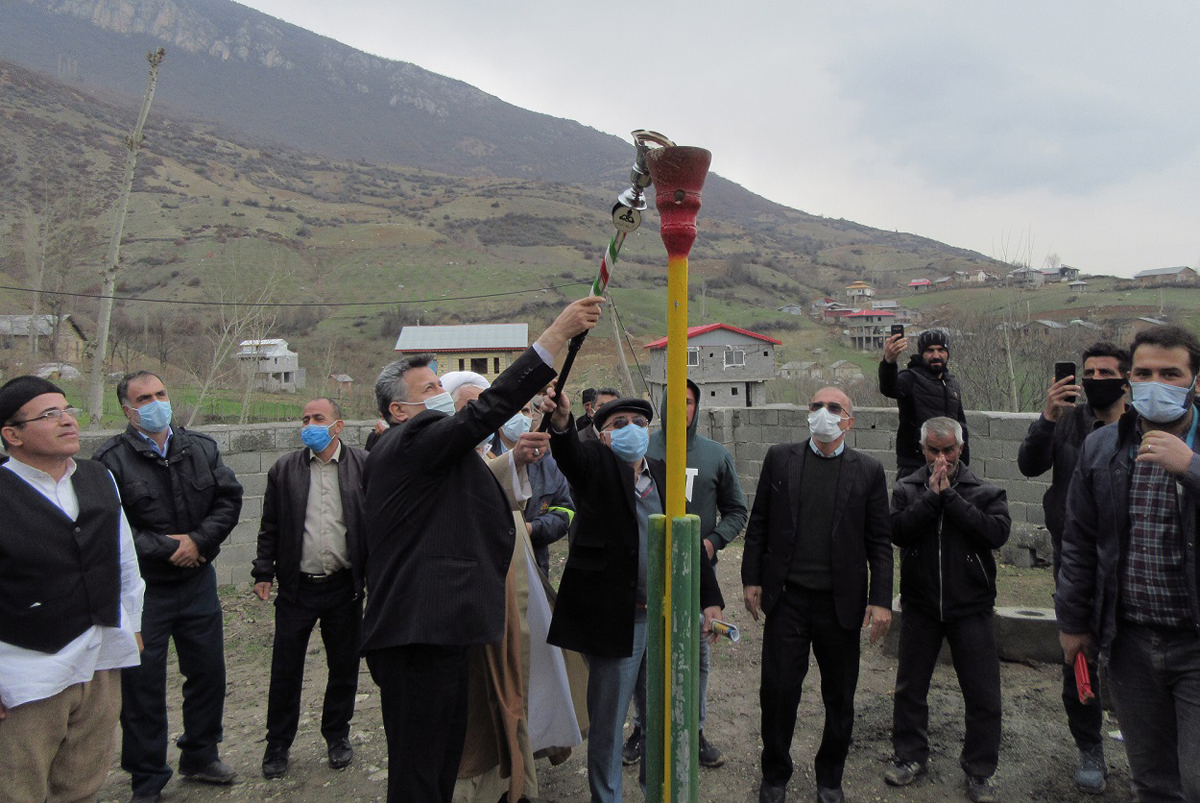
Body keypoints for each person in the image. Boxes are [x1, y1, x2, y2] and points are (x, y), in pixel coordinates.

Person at [361, 296, 603, 803]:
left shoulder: (430, 458)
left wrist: (518, 452)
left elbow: (482, 496)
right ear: (399, 410)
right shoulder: (408, 441)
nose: (443, 398)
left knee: (444, 757)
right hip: (416, 637)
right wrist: (556, 335)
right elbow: (487, 410)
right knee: (419, 772)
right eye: (431, 390)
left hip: (445, 630)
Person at [542, 391, 725, 803]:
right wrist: (562, 422)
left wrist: (708, 597)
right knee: (609, 724)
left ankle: (654, 791)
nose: (631, 431)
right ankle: (606, 798)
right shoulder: (596, 466)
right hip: (616, 619)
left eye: (639, 423)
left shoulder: (663, 472)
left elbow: (687, 537)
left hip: (664, 617)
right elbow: (570, 454)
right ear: (603, 435)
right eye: (618, 424)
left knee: (660, 715)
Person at [1057, 324, 1200, 801]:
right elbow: (1079, 540)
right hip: (1129, 642)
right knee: (1151, 780)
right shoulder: (1102, 447)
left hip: (1194, 645)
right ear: (1129, 381)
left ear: (1196, 381)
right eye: (1144, 372)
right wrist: (1074, 623)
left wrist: (1192, 469)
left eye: (1171, 373)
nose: (1156, 382)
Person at [94, 371, 244, 803]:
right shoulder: (110, 462)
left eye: (161, 393)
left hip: (198, 581)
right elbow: (115, 526)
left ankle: (200, 753)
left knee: (208, 673)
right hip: (145, 592)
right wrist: (167, 548)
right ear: (128, 409)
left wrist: (198, 541)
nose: (157, 402)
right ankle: (147, 776)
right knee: (142, 686)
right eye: (145, 397)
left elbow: (228, 500)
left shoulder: (201, 448)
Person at [741, 387, 893, 803]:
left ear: (849, 420)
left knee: (840, 696)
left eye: (834, 408)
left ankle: (830, 778)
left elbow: (880, 541)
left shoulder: (868, 470)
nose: (823, 413)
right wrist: (751, 577)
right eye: (816, 406)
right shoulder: (780, 458)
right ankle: (774, 776)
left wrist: (881, 599)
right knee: (777, 692)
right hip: (787, 600)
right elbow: (760, 524)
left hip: (840, 606)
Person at [0, 377, 144, 802]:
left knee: (83, 784)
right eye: (49, 415)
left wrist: (131, 622)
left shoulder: (99, 477)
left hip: (99, 655)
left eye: (67, 410)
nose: (66, 421)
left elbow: (124, 558)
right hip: (25, 670)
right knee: (17, 789)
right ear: (12, 434)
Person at [1017, 342, 1129, 794]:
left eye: (1106, 372)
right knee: (1077, 652)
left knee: (1133, 655)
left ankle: (1146, 740)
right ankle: (1090, 747)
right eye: (1088, 372)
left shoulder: (1145, 431)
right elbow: (1028, 466)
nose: (1095, 379)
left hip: (1130, 563)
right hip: (1074, 557)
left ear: (1125, 379)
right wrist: (1047, 418)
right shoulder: (1069, 424)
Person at [885, 417, 1009, 803]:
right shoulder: (907, 488)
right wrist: (930, 499)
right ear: (922, 450)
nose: (942, 458)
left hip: (971, 607)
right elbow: (897, 531)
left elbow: (995, 533)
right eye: (934, 450)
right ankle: (909, 756)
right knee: (910, 688)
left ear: (961, 447)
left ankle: (979, 770)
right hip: (921, 605)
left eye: (949, 450)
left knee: (983, 693)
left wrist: (950, 499)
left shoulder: (984, 490)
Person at [625, 378, 748, 769]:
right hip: (645, 577)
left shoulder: (715, 455)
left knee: (695, 656)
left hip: (697, 575)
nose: (683, 409)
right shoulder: (645, 450)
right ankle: (643, 732)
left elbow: (736, 511)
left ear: (698, 407)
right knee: (645, 657)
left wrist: (710, 543)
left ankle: (692, 731)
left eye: (690, 402)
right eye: (675, 402)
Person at [252, 397, 367, 779]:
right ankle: (278, 744)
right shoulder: (285, 469)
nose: (309, 425)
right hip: (297, 589)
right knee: (285, 670)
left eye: (318, 418)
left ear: (339, 425)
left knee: (343, 666)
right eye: (305, 419)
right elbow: (270, 525)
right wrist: (263, 572)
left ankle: (337, 735)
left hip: (344, 587)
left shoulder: (362, 465)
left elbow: (376, 522)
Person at [879, 328, 970, 479]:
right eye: (930, 351)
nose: (936, 355)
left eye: (941, 350)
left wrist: (963, 463)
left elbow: (961, 425)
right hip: (915, 465)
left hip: (948, 464)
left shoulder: (951, 383)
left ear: (947, 353)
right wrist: (889, 363)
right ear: (921, 354)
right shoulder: (910, 378)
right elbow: (889, 388)